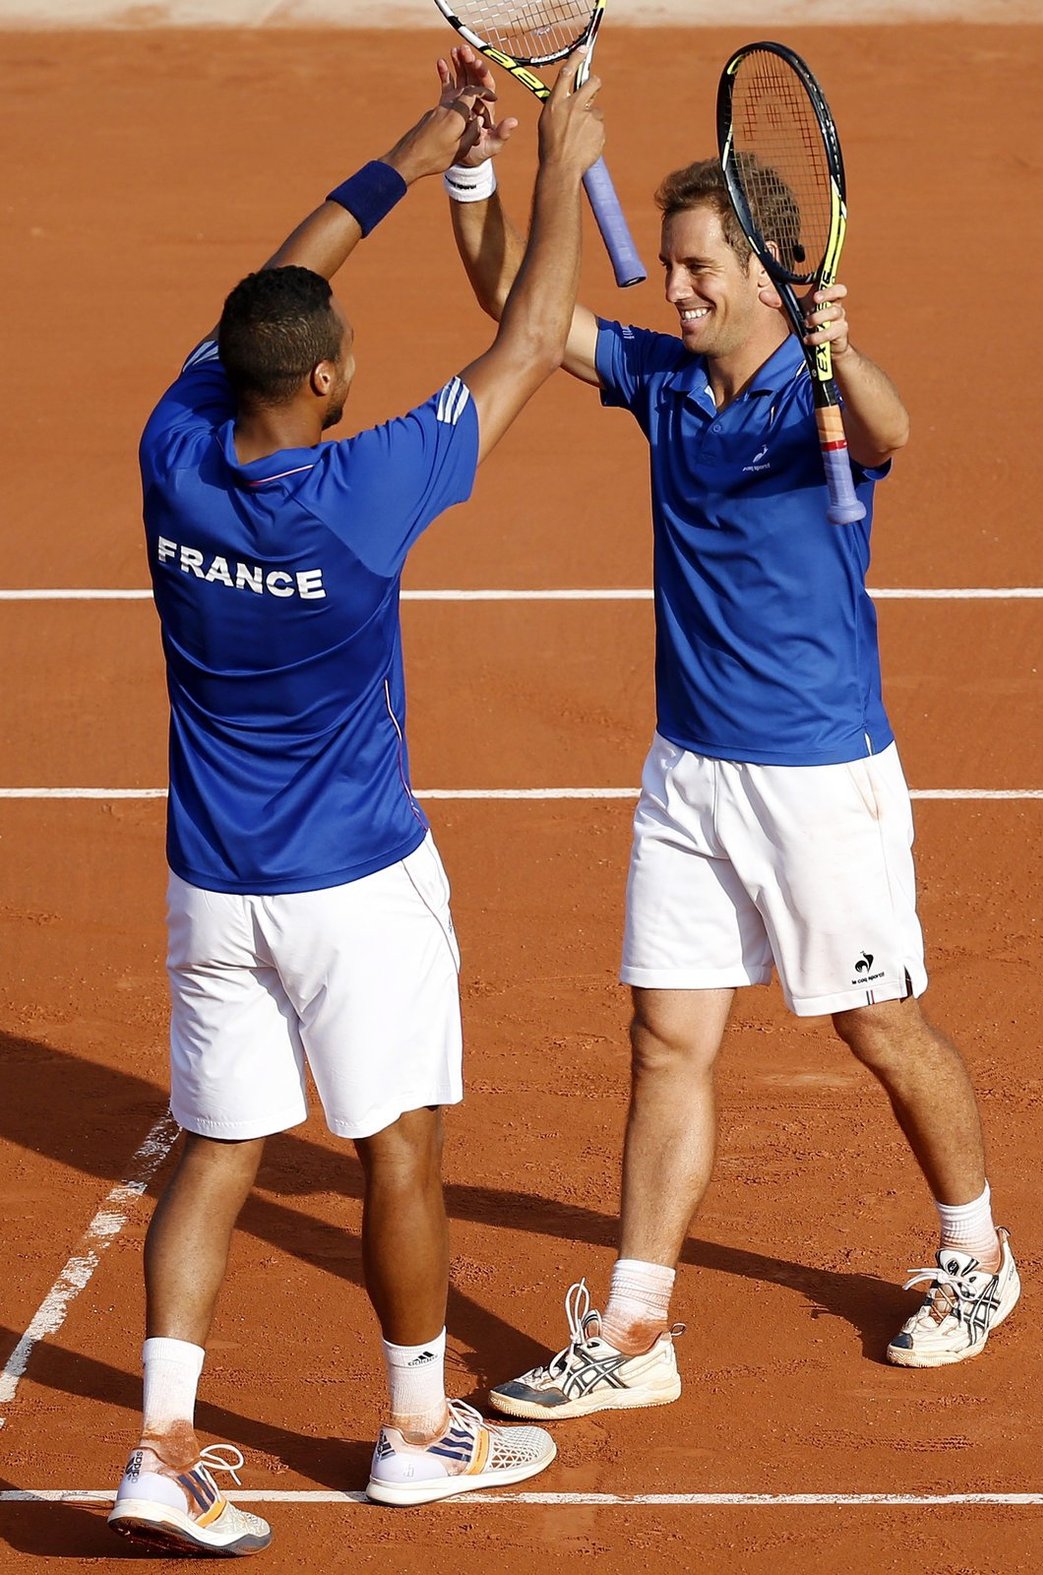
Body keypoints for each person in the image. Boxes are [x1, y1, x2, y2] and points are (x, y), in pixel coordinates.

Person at [441, 44, 1020, 1423]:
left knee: (877, 1026)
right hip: (688, 772)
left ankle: (976, 1254)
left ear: (769, 273)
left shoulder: (807, 395)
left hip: (820, 775)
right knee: (664, 1042)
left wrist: (836, 350)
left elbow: (886, 429)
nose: (675, 283)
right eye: (676, 264)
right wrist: (480, 165)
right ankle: (636, 1330)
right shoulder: (659, 378)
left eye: (701, 267)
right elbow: (515, 306)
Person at [107, 56, 605, 1556]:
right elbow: (525, 341)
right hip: (356, 889)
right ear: (321, 380)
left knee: (218, 1148)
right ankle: (410, 1432)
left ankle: (160, 1444)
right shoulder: (363, 491)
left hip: (215, 884)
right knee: (399, 1148)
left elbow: (282, 271)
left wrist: (427, 142)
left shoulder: (173, 450)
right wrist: (554, 155)